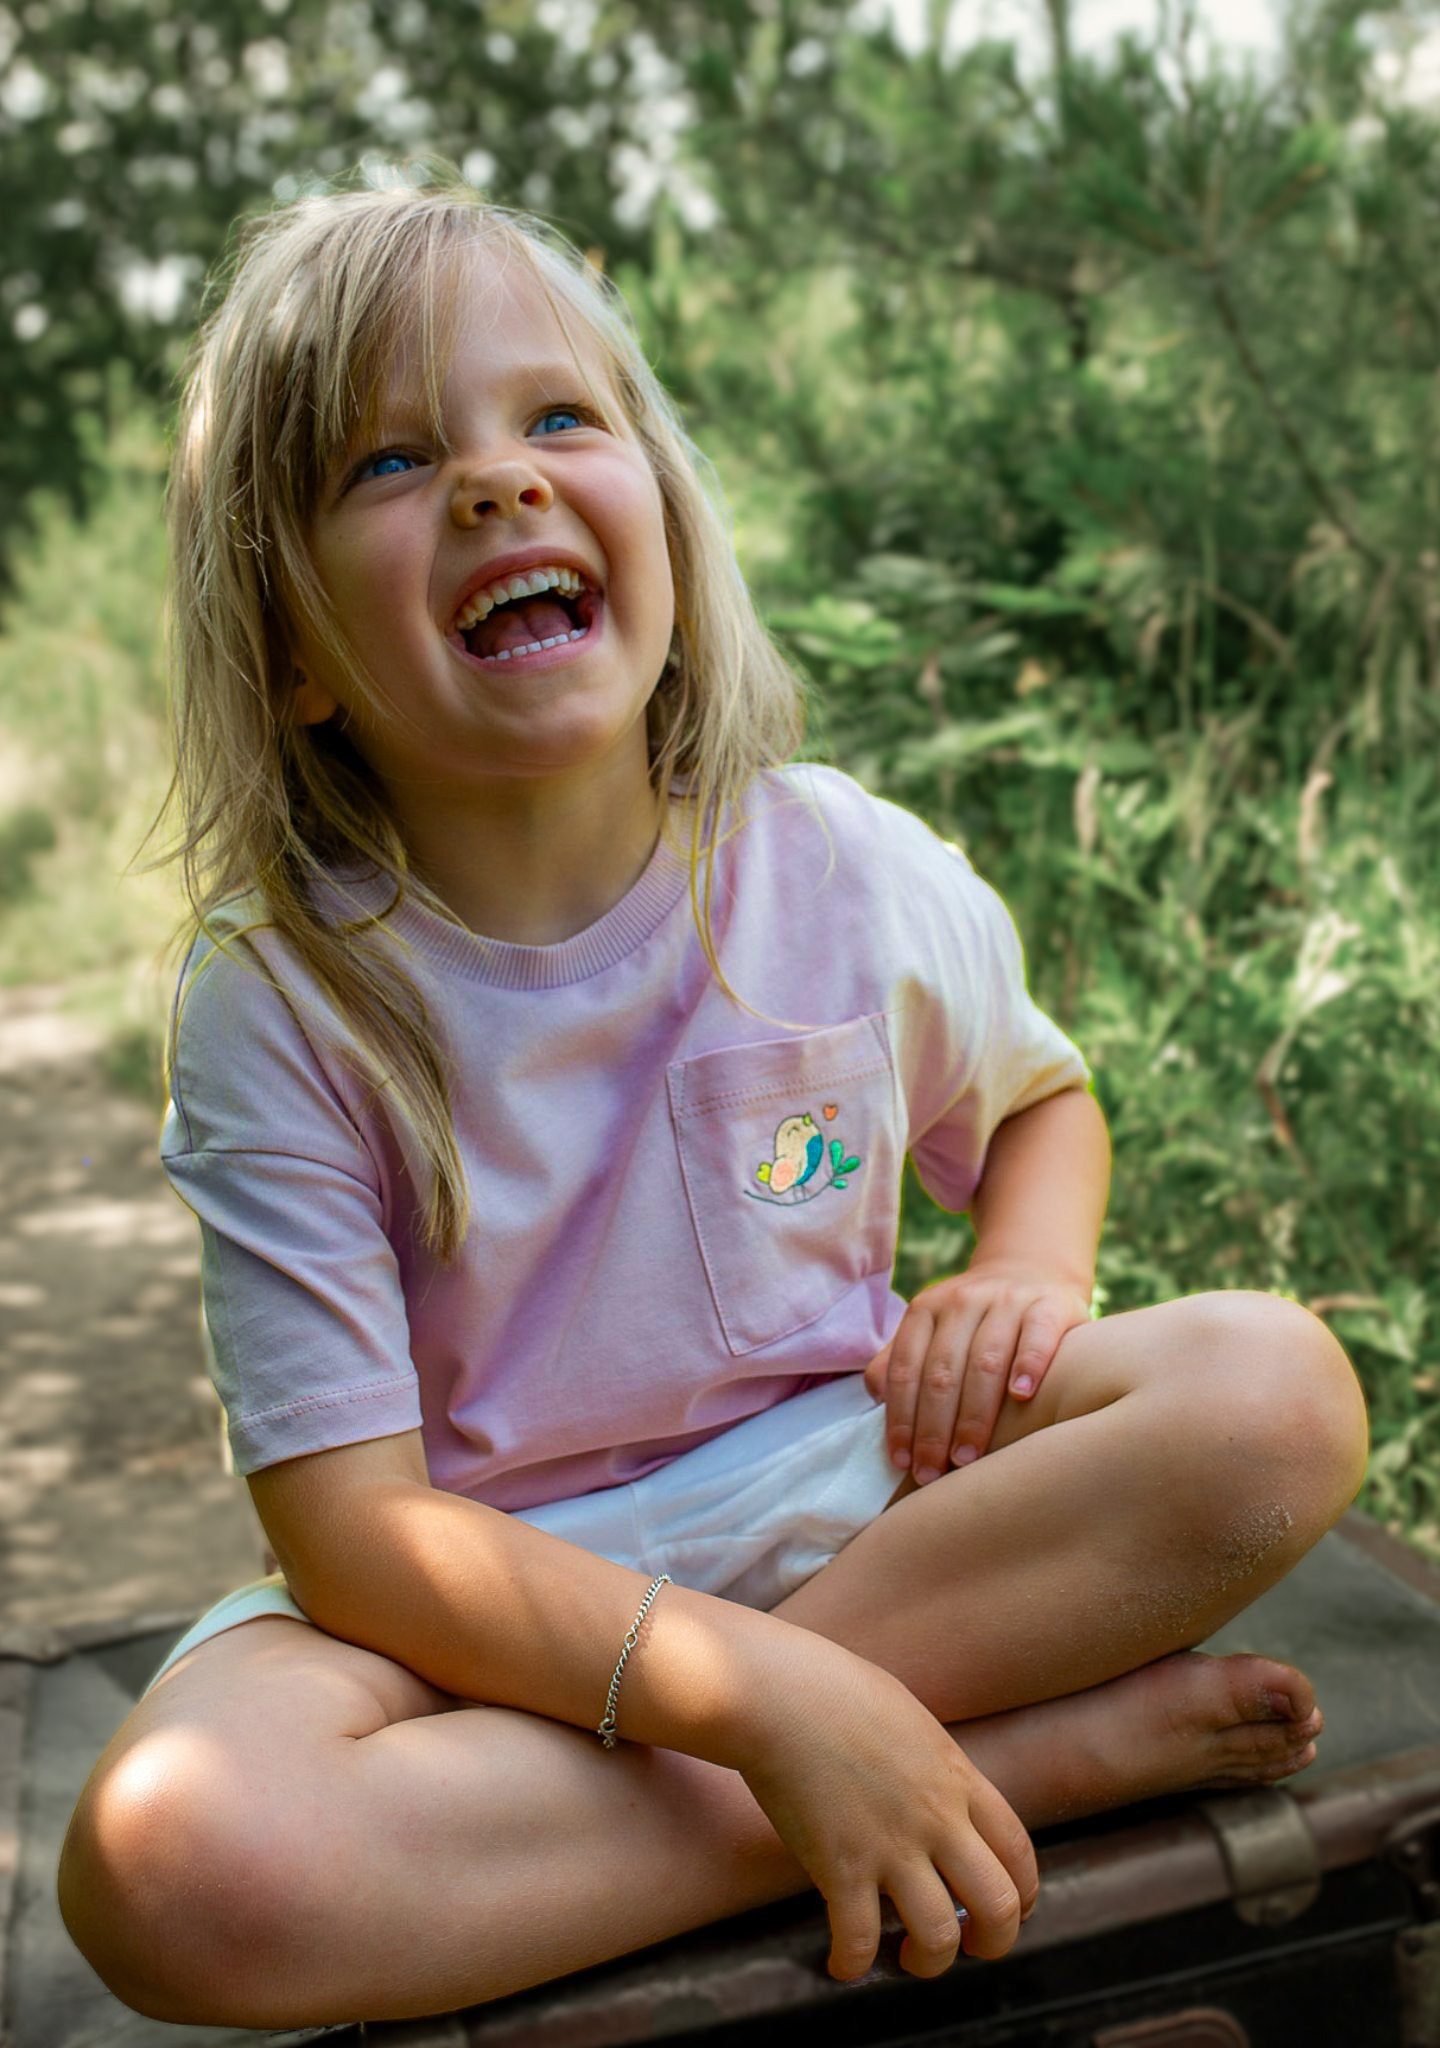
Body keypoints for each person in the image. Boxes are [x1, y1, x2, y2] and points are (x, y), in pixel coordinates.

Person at [55, 165, 1368, 2033]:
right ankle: (1022, 1755)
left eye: (559, 417)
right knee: (176, 1862)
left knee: (1274, 1398)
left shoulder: (831, 864)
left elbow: (1040, 1103)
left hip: (858, 1504)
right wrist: (767, 1706)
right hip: (478, 1621)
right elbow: (356, 1534)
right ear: (288, 655)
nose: (500, 479)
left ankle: (802, 1765)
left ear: (662, 506)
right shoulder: (284, 999)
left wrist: (1030, 1270)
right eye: (388, 465)